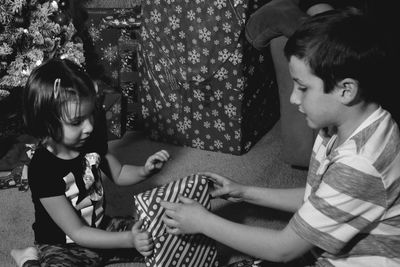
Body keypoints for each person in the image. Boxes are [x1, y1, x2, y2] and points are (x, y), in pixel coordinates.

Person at [161, 9, 400, 266]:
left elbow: (282, 249)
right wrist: (244, 192)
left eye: (303, 87)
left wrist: (203, 222)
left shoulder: (359, 164)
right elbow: (316, 198)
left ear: (346, 90)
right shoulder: (342, 125)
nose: (293, 98)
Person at [10, 58, 170, 267]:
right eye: (77, 121)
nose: (88, 127)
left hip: (102, 227)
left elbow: (119, 173)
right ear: (46, 123)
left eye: (90, 115)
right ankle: (28, 258)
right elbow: (77, 231)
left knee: (159, 235)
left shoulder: (90, 139)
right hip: (64, 245)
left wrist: (145, 170)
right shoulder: (42, 169)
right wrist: (127, 240)